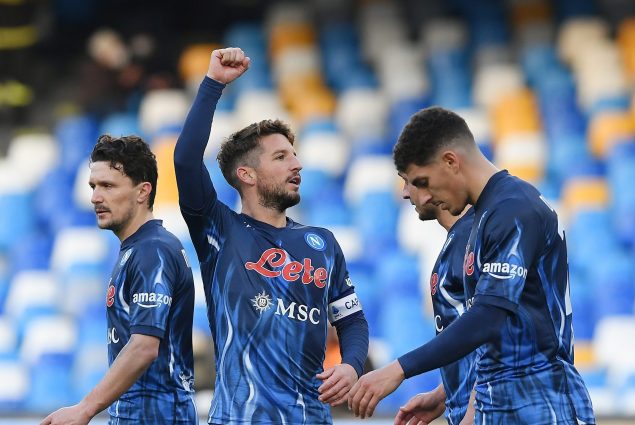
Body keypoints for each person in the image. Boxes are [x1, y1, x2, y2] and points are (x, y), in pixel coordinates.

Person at [348, 107, 595, 424]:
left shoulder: (513, 209)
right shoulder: (487, 216)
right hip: (502, 401)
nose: (415, 195)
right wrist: (446, 392)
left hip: (542, 403)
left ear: (451, 161)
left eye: (422, 181)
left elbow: (489, 316)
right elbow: (500, 335)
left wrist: (399, 369)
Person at [174, 47, 369, 425]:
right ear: (246, 174)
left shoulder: (323, 244)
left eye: (294, 155)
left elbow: (352, 320)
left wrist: (352, 366)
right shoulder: (219, 230)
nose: (297, 164)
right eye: (281, 157)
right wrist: (213, 84)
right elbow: (184, 160)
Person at [42, 135, 197, 425]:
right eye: (93, 186)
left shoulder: (153, 251)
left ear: (143, 192)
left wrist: (85, 408)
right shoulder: (136, 250)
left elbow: (144, 347)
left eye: (108, 186)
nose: (95, 197)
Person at [394, 173, 476, 425]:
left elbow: (498, 336)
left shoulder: (479, 239)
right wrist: (443, 394)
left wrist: (474, 414)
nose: (404, 193)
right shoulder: (456, 241)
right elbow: (473, 344)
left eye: (409, 180)